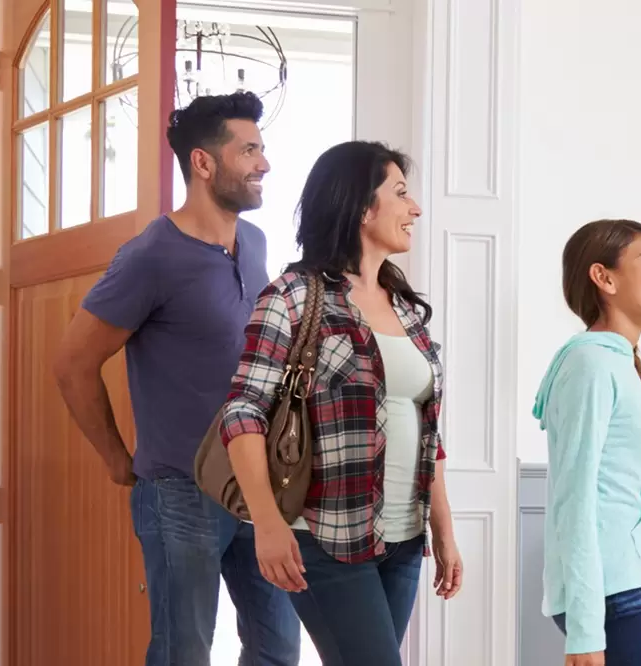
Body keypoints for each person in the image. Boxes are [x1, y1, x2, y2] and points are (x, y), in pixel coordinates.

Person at [52, 91, 299, 666]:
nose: (264, 163)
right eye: (249, 150)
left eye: (262, 149)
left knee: (279, 648)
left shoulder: (254, 243)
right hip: (180, 492)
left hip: (258, 486)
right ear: (203, 162)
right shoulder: (150, 257)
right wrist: (116, 458)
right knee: (182, 653)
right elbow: (72, 364)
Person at [217, 140, 464, 665]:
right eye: (401, 193)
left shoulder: (405, 307)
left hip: (403, 538)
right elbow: (243, 412)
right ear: (361, 207)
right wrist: (267, 523)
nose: (416, 208)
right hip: (326, 537)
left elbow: (428, 430)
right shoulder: (292, 295)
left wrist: (443, 531)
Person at [533, 219, 641, 666]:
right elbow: (574, 500)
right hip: (607, 595)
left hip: (618, 588)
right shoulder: (591, 364)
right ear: (604, 278)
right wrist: (585, 632)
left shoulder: (613, 362)